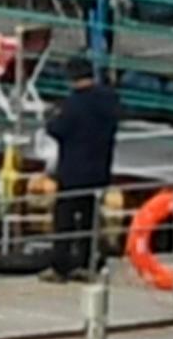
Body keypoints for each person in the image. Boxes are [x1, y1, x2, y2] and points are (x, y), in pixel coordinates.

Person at [43, 64, 121, 279]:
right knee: (90, 218)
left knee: (65, 220)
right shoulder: (109, 100)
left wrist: (49, 117)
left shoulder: (73, 104)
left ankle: (61, 267)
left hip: (72, 172)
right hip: (100, 169)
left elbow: (57, 129)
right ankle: (87, 263)